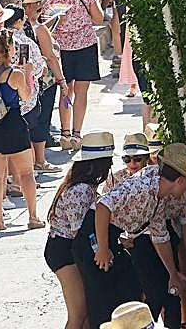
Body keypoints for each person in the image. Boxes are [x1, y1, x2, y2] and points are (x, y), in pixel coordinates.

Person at [74, 143, 186, 327]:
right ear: (180, 181)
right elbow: (103, 206)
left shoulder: (159, 193)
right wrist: (102, 248)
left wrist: (172, 273)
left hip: (110, 236)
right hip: (93, 236)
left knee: (131, 291)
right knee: (103, 300)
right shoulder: (142, 185)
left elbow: (160, 237)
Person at [46, 131, 115, 329]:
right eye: (108, 162)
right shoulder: (80, 190)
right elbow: (80, 234)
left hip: (69, 248)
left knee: (86, 315)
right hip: (65, 250)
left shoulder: (88, 187)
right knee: (78, 314)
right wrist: (102, 250)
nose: (110, 166)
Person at [0, 28, 41, 231]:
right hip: (12, 122)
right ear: (10, 48)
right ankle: (32, 216)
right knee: (26, 173)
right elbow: (26, 96)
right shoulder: (16, 74)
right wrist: (29, 73)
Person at [46, 0, 103, 150]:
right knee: (81, 92)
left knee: (65, 90)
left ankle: (65, 133)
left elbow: (46, 22)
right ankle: (77, 134)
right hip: (86, 45)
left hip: (62, 47)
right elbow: (98, 18)